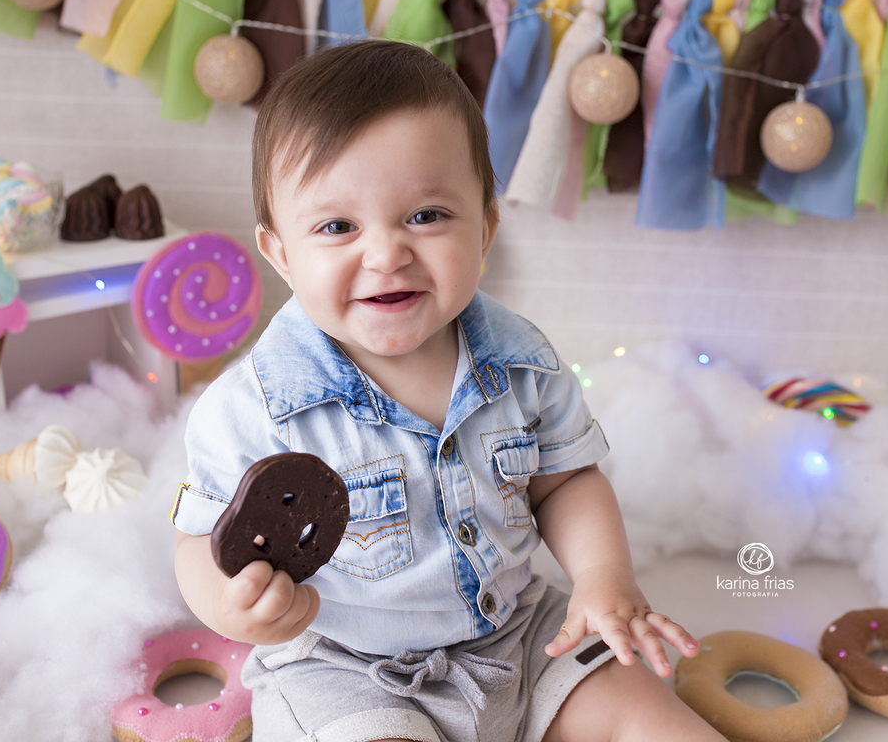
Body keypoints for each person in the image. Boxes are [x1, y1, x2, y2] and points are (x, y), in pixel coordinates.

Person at [171, 39, 723, 742]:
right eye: (337, 226)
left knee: (649, 719)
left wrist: (603, 576)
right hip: (347, 667)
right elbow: (200, 539)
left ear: (485, 227)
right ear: (281, 252)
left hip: (521, 637)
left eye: (426, 215)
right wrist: (231, 605)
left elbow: (564, 483)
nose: (386, 252)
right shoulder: (256, 407)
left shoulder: (522, 364)